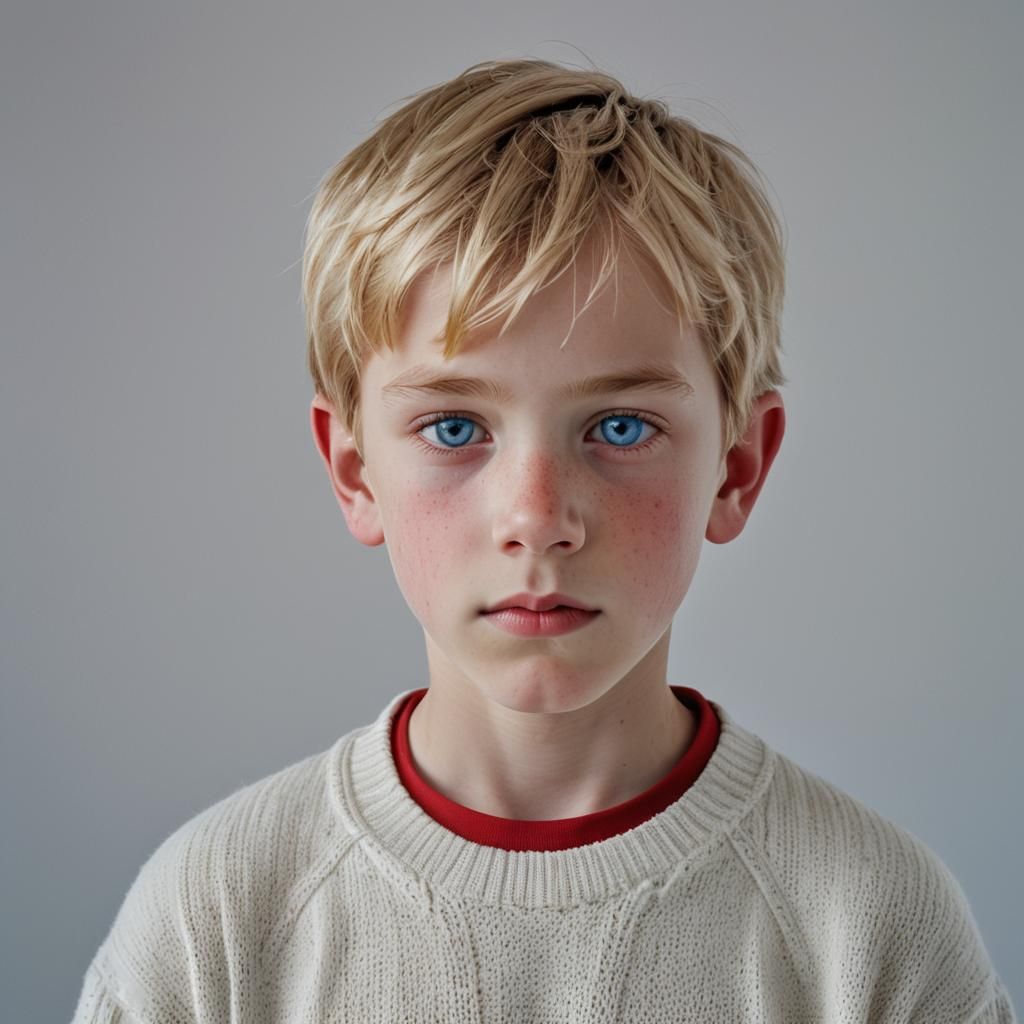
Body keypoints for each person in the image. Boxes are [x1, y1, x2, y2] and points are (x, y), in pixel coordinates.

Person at [71, 57, 1017, 1023]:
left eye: (619, 427)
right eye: (454, 428)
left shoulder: (869, 928)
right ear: (356, 473)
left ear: (736, 468)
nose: (537, 518)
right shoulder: (216, 919)